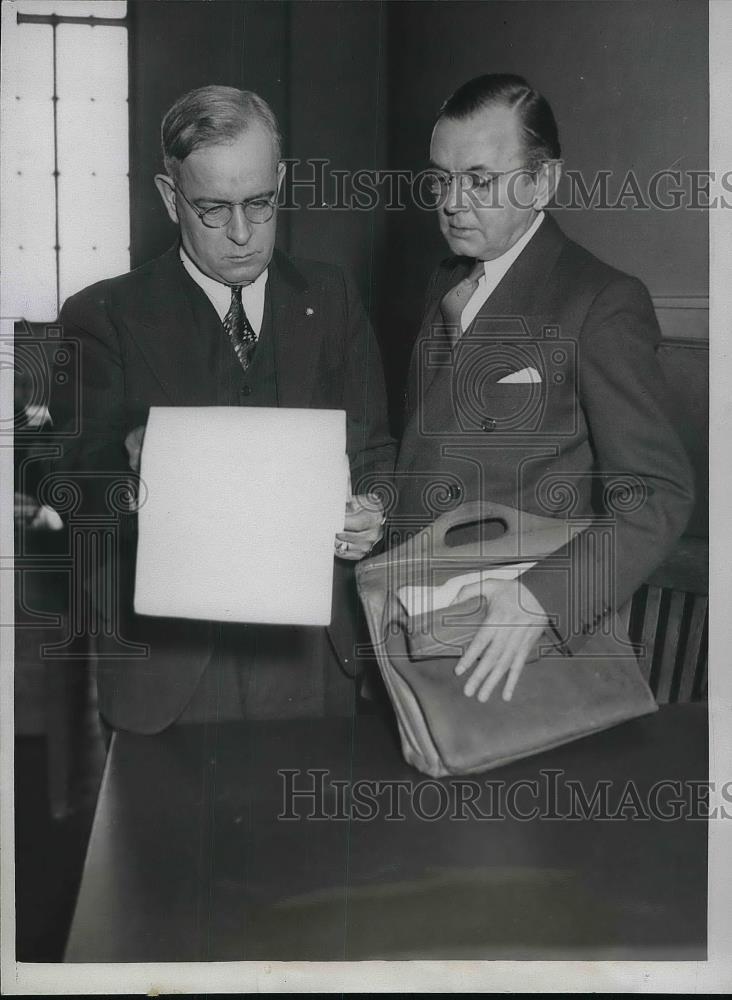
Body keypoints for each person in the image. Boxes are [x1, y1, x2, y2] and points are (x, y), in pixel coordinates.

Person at [51, 85, 395, 734]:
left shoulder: (333, 297)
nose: (242, 233)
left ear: (282, 181)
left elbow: (374, 448)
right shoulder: (101, 316)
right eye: (213, 209)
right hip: (170, 676)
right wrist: (134, 474)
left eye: (260, 204)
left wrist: (372, 512)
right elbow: (70, 483)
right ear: (167, 196)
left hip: (312, 664)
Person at [392, 73, 694, 703]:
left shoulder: (603, 302)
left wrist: (543, 599)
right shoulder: (448, 281)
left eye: (479, 179)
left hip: (516, 656)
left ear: (543, 183)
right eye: (440, 178)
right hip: (415, 627)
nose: (452, 201)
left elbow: (658, 494)